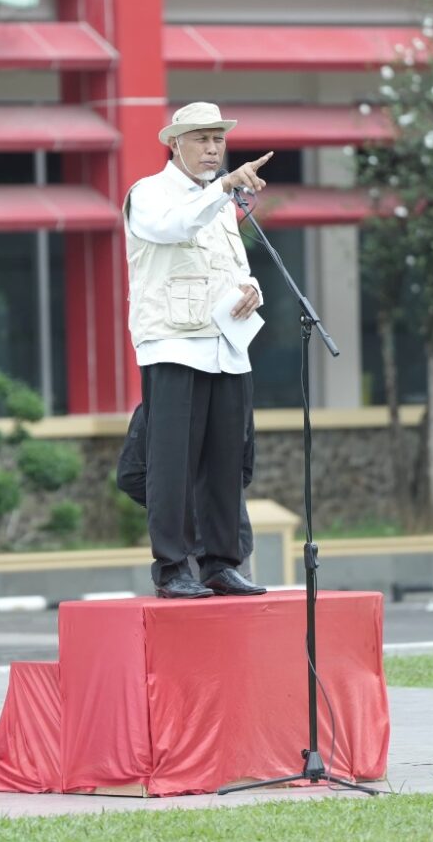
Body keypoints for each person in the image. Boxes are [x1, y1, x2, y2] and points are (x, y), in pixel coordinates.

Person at [122, 101, 272, 598]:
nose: (213, 149)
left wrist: (253, 289)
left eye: (218, 139)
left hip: (226, 344)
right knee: (172, 463)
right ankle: (172, 568)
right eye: (201, 139)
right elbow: (175, 228)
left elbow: (235, 267)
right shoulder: (149, 193)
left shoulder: (221, 201)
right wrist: (223, 189)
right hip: (173, 343)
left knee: (227, 460)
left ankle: (221, 563)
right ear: (174, 144)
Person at [116, 401, 256, 578]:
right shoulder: (237, 402)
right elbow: (131, 477)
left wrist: (177, 506)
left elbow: (130, 476)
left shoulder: (156, 405)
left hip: (206, 552)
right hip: (209, 552)